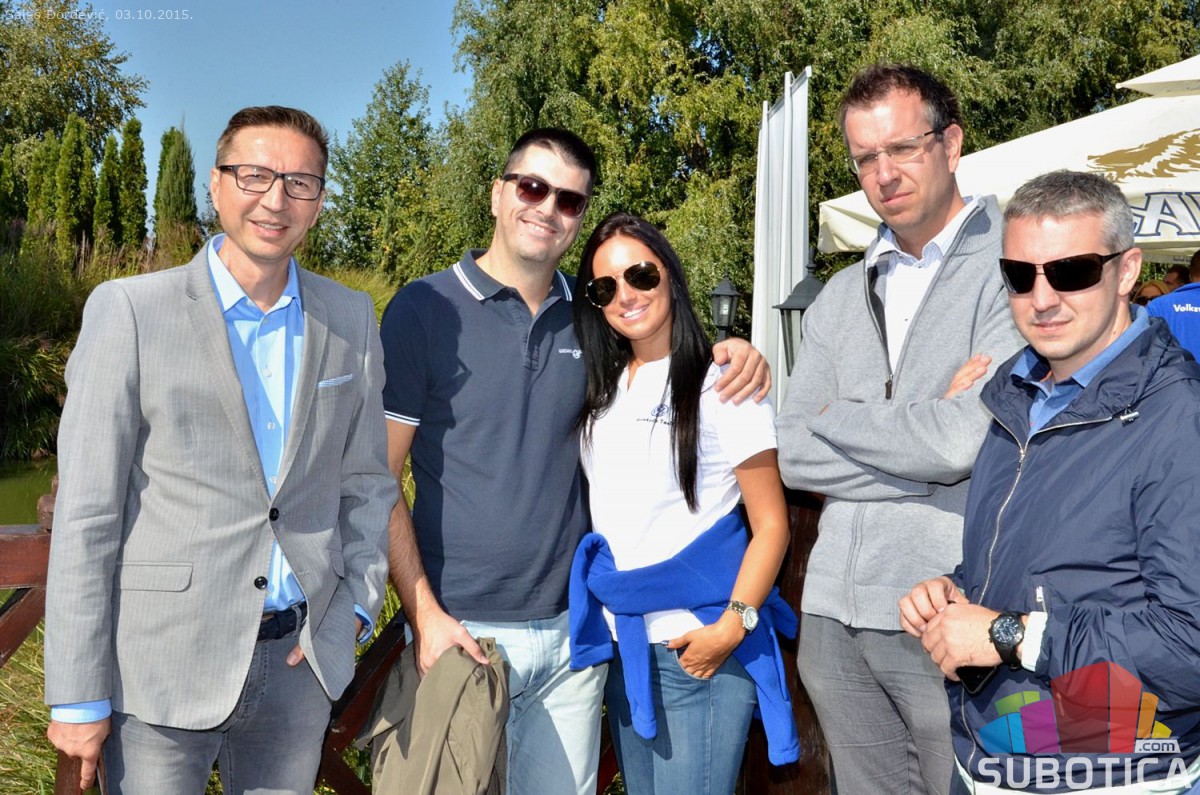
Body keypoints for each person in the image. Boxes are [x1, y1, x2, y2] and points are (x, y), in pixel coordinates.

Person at [378, 129, 768, 795]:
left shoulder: (592, 315)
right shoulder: (425, 309)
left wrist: (736, 352)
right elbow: (378, 478)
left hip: (575, 641)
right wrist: (424, 615)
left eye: (568, 199)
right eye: (532, 187)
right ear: (497, 194)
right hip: (463, 634)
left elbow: (662, 358)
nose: (547, 208)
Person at [43, 106, 396, 794]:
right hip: (158, 671)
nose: (276, 199)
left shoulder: (350, 316)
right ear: (216, 183)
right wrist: (78, 695)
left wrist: (354, 608)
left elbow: (367, 481)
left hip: (296, 668)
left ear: (319, 201)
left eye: (299, 182)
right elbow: (88, 513)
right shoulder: (130, 311)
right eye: (255, 175)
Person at [901, 169, 1200, 793]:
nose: (1041, 298)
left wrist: (1008, 635)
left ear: (1126, 271)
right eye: (1020, 274)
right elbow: (1055, 568)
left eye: (1071, 271)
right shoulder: (1016, 396)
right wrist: (957, 594)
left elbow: (1189, 647)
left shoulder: (1179, 418)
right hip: (992, 760)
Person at [775, 64, 1023, 794]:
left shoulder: (1014, 268)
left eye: (902, 148)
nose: (883, 174)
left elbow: (964, 441)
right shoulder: (841, 292)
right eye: (864, 158)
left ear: (951, 143)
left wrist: (841, 420)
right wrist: (927, 426)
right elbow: (793, 453)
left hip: (945, 606)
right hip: (830, 617)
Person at [567, 212, 798, 794]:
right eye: (605, 288)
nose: (626, 295)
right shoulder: (604, 390)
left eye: (640, 275)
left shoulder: (725, 384)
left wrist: (733, 627)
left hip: (699, 648)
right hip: (625, 648)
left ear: (669, 273)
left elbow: (772, 524)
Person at [1147, 268, 1200, 358]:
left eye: (1168, 283)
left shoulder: (1158, 305)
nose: (1164, 285)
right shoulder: (1158, 305)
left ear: (1190, 277)